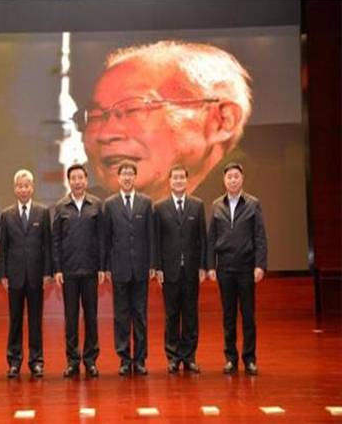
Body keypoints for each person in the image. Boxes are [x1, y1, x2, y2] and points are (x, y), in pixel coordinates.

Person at [73, 40, 252, 201]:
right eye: (95, 115)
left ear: (222, 121)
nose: (105, 134)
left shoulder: (259, 199)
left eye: (134, 109)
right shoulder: (82, 210)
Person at [207, 162, 267, 376]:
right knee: (228, 316)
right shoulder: (216, 205)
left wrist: (260, 264)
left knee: (248, 315)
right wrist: (210, 265)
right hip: (224, 268)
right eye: (229, 177)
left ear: (242, 179)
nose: (232, 180)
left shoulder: (253, 203)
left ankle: (249, 359)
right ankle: (230, 359)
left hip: (246, 267)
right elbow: (211, 238)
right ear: (224, 181)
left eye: (236, 176)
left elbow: (260, 236)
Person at [52, 163, 105, 378]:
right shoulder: (61, 206)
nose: (77, 182)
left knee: (91, 318)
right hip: (69, 272)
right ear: (69, 181)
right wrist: (57, 269)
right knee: (71, 319)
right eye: (73, 178)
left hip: (91, 271)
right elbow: (56, 240)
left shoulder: (97, 204)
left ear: (86, 180)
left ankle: (91, 360)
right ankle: (73, 361)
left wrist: (102, 267)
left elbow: (102, 238)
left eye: (80, 178)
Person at [0, 169, 52, 379]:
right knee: (15, 320)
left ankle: (36, 361)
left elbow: (47, 245)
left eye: (26, 186)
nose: (23, 189)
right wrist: (3, 274)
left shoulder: (42, 212)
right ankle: (14, 361)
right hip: (14, 276)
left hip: (36, 275)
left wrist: (47, 273)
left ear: (32, 188)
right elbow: (3, 247)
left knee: (36, 321)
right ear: (15, 189)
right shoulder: (6, 215)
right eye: (19, 186)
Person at [103, 160, 155, 376]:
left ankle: (140, 359)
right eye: (123, 174)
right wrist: (106, 267)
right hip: (119, 268)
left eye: (130, 174)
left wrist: (152, 264)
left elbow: (151, 235)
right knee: (121, 316)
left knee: (140, 315)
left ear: (135, 177)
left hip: (141, 267)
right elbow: (106, 238)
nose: (126, 177)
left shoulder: (146, 202)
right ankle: (124, 359)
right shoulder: (110, 204)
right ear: (118, 178)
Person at [155, 164, 207, 374]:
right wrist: (158, 268)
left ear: (187, 180)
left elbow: (202, 238)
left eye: (181, 177)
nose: (178, 181)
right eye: (174, 178)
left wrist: (203, 266)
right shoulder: (160, 207)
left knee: (191, 315)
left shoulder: (197, 205)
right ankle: (173, 357)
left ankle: (189, 357)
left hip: (192, 270)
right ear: (169, 181)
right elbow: (157, 240)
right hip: (169, 271)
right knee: (172, 315)